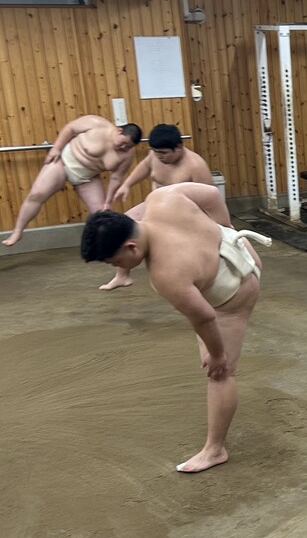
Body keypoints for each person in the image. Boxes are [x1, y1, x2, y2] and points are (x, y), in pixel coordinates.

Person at [80, 184, 271, 473]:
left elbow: (204, 317)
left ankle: (215, 450)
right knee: (213, 345)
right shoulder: (162, 198)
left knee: (220, 374)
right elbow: (212, 194)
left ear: (131, 247)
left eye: (116, 262)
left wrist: (217, 354)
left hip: (234, 294)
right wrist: (225, 226)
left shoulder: (165, 274)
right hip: (241, 251)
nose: (117, 267)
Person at [98, 124, 216, 290]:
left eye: (163, 153)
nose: (159, 156)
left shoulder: (196, 165)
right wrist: (126, 185)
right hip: (155, 204)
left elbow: (210, 197)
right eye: (155, 151)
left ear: (178, 147)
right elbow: (145, 167)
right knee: (125, 223)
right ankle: (122, 277)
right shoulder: (155, 155)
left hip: (183, 212)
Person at [2, 115, 141, 247]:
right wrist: (56, 148)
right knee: (36, 194)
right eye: (123, 143)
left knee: (102, 214)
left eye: (128, 146)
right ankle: (17, 232)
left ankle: (106, 248)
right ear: (119, 130)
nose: (124, 148)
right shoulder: (97, 124)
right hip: (63, 162)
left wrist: (108, 201)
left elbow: (116, 178)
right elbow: (70, 128)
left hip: (88, 177)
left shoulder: (126, 156)